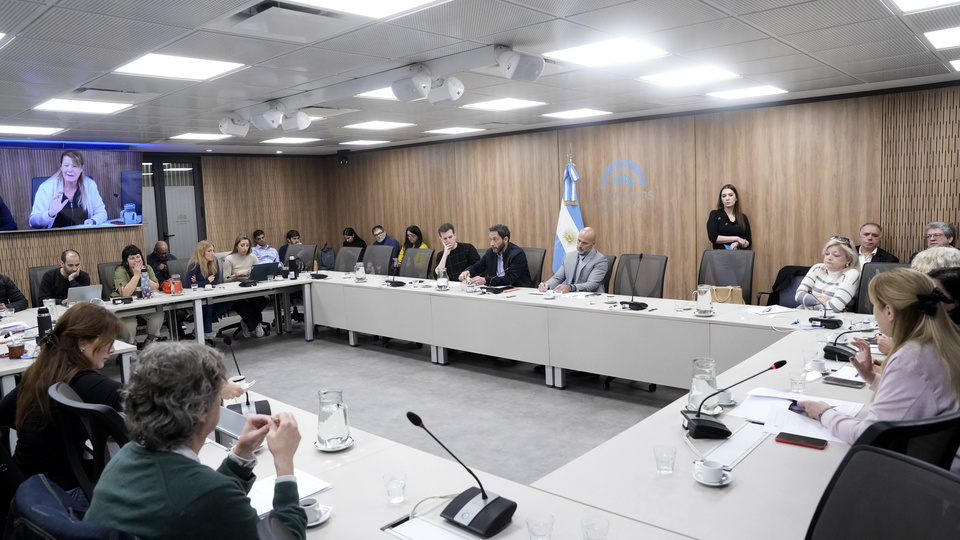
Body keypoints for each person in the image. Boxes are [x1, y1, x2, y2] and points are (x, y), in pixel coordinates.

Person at [83, 342, 307, 539]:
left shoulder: (124, 458)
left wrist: (242, 452)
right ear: (201, 409)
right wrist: (284, 464)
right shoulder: (206, 494)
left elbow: (202, 498)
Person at [798, 269, 960, 473]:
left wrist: (824, 413)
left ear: (889, 312)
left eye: (875, 305)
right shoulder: (946, 341)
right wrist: (872, 378)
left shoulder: (911, 358)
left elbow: (870, 435)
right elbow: (925, 394)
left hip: (929, 473)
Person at [0, 303, 123, 499]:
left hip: (27, 485)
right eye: (109, 342)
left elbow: (3, 413)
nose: (113, 349)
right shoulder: (85, 383)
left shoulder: (41, 371)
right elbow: (149, 404)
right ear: (82, 342)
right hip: (61, 494)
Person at [29, 150, 107, 229]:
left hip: (84, 234)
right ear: (61, 167)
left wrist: (93, 221)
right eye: (66, 166)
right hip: (54, 236)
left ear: (82, 168)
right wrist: (50, 213)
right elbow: (33, 222)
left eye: (74, 166)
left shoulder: (90, 185)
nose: (70, 170)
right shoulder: (46, 188)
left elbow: (101, 213)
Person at [112, 244, 165, 347]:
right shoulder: (120, 271)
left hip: (143, 305)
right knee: (129, 326)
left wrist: (143, 274)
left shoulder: (147, 268)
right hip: (125, 308)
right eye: (132, 258)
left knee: (158, 315)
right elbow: (125, 294)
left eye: (138, 257)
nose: (136, 260)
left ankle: (149, 342)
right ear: (126, 261)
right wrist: (136, 275)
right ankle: (131, 347)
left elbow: (155, 287)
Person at [795, 236, 860, 313]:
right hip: (802, 313)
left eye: (836, 255)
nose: (829, 257)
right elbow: (798, 295)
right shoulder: (817, 268)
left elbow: (835, 307)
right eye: (827, 253)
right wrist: (821, 300)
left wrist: (810, 305)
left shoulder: (852, 274)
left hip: (831, 318)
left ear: (848, 259)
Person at [460, 224, 533, 288]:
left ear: (505, 239)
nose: (492, 243)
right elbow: (477, 267)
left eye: (495, 239)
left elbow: (509, 279)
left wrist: (486, 280)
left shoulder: (517, 254)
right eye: (490, 239)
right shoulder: (490, 253)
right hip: (496, 290)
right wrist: (468, 271)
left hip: (519, 290)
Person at [223, 235, 267, 338]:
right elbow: (225, 279)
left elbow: (259, 273)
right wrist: (237, 274)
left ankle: (247, 322)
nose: (245, 248)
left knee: (263, 300)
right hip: (237, 291)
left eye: (247, 245)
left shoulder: (252, 257)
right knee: (241, 304)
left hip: (252, 288)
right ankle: (255, 325)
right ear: (236, 246)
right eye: (242, 245)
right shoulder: (229, 258)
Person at [186, 240, 232, 340]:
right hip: (198, 296)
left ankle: (200, 328)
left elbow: (215, 281)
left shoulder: (214, 261)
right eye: (209, 251)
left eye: (213, 250)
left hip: (212, 293)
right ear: (202, 253)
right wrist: (207, 281)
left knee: (229, 300)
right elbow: (188, 284)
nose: (213, 253)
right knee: (208, 305)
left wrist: (199, 282)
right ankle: (207, 331)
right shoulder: (194, 264)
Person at [539, 227, 608, 293]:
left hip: (591, 298)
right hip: (570, 296)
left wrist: (571, 287)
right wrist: (547, 285)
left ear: (593, 243)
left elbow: (591, 285)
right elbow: (558, 278)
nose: (580, 245)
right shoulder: (568, 256)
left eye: (584, 243)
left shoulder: (600, 260)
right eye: (579, 240)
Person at [706, 184, 751, 250]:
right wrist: (736, 238)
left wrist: (738, 243)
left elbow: (748, 241)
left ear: (736, 198)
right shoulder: (715, 214)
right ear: (721, 200)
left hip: (738, 254)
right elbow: (713, 238)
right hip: (720, 254)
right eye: (724, 196)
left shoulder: (743, 217)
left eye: (730, 195)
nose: (727, 198)